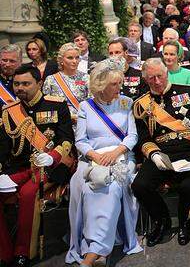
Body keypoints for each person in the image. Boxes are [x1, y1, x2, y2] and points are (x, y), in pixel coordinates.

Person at [66, 59, 142, 266]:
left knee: (113, 188)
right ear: (100, 85)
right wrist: (96, 156)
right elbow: (80, 140)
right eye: (114, 84)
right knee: (90, 189)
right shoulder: (85, 107)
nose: (120, 88)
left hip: (121, 156)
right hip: (92, 158)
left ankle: (94, 253)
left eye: (120, 83)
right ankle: (97, 251)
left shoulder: (126, 102)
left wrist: (117, 151)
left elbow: (132, 136)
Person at [0, 65, 75, 267]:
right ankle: (3, 252)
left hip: (50, 167)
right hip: (19, 168)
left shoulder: (57, 105)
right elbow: (4, 147)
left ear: (39, 83)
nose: (20, 88)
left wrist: (52, 156)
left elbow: (67, 139)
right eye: (16, 84)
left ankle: (23, 252)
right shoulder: (9, 111)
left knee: (28, 193)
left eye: (26, 83)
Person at [131, 58, 190, 247]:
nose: (157, 81)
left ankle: (184, 223)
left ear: (167, 73)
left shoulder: (187, 92)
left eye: (160, 76)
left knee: (188, 187)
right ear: (145, 79)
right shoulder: (141, 104)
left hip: (188, 150)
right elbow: (143, 137)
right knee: (140, 185)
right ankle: (161, 220)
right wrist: (154, 154)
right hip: (160, 153)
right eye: (151, 78)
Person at [42, 42, 89, 131]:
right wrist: (65, 118)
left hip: (82, 126)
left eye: (77, 57)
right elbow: (45, 109)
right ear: (61, 60)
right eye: (70, 58)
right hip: (59, 127)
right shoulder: (51, 80)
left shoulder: (86, 78)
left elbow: (92, 105)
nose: (75, 61)